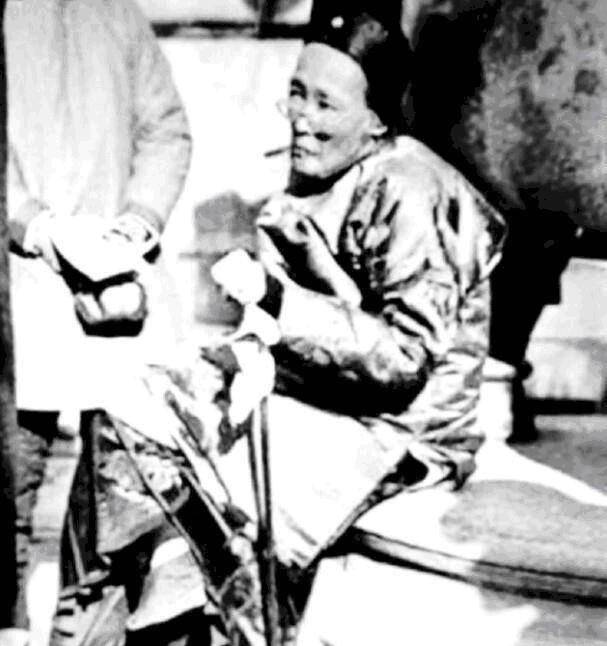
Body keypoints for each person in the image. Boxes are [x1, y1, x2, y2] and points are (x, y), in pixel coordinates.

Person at [1, 1, 191, 644]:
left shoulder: (115, 13)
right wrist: (36, 226)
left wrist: (138, 221)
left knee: (121, 503)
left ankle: (83, 632)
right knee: (11, 498)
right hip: (18, 297)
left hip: (113, 304)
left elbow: (166, 130)